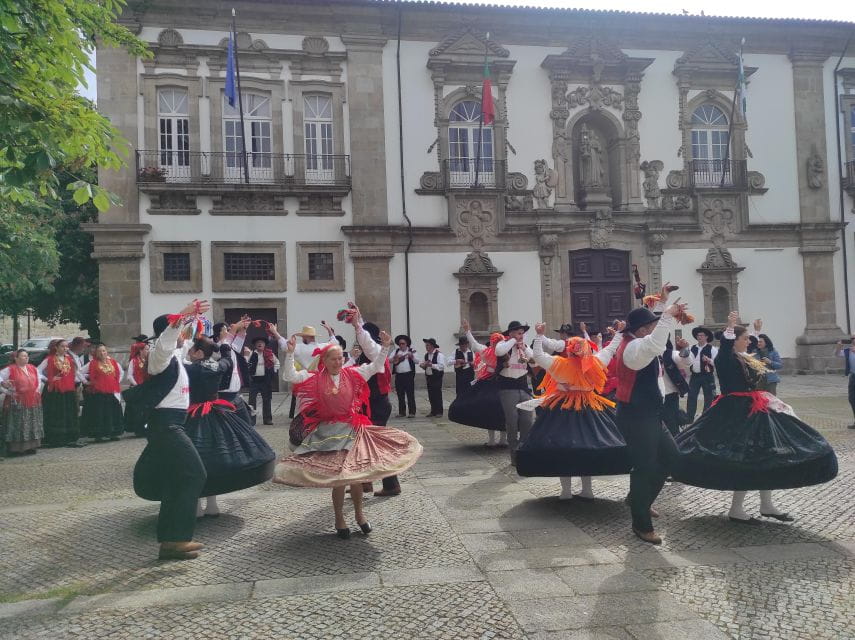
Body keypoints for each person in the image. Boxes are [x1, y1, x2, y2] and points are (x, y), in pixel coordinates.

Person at [674, 311, 838, 524]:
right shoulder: (724, 357)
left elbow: (755, 353)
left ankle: (766, 505)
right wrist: (730, 326)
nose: (749, 341)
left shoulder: (742, 357)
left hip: (754, 409)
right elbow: (726, 347)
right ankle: (736, 509)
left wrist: (758, 332)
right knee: (743, 459)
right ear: (734, 340)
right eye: (745, 338)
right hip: (736, 412)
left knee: (766, 454)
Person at [274, 330, 423, 538]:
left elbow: (375, 366)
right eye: (333, 359)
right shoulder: (314, 378)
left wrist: (385, 347)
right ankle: (339, 518)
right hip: (328, 434)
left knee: (356, 477)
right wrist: (290, 354)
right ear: (324, 361)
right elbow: (290, 376)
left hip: (352, 430)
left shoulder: (352, 374)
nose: (338, 362)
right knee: (340, 479)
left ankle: (360, 515)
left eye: (340, 358)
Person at [129, 301, 209, 560]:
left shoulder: (175, 356)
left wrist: (193, 319)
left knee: (178, 479)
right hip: (166, 424)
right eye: (179, 330)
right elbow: (167, 339)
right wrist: (181, 316)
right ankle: (176, 538)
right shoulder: (159, 356)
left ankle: (171, 541)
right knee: (194, 474)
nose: (183, 335)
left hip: (174, 423)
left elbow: (187, 339)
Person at [516, 322, 628, 501]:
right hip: (590, 408)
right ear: (586, 350)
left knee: (562, 448)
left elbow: (538, 356)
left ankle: (566, 491)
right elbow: (611, 348)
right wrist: (620, 333)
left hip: (562, 409)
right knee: (588, 447)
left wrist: (539, 335)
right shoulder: (596, 362)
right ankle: (587, 490)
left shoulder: (559, 364)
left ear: (569, 350)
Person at [613, 288, 685, 545]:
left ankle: (638, 499)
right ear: (642, 330)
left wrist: (663, 304)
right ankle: (641, 524)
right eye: (651, 326)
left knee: (671, 457)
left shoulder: (638, 341)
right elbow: (655, 343)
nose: (655, 329)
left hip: (650, 413)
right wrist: (666, 316)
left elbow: (653, 337)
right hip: (636, 415)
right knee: (645, 467)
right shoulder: (633, 348)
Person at [182, 335, 276, 518]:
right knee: (216, 458)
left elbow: (173, 365)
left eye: (191, 349)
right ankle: (212, 504)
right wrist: (225, 347)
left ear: (199, 353)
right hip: (217, 413)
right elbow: (228, 361)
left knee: (197, 458)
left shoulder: (189, 369)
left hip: (195, 415)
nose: (189, 352)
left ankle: (197, 505)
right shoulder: (218, 366)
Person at [350, 310, 400, 497]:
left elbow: (367, 342)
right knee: (363, 443)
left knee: (377, 445)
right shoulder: (373, 352)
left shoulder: (375, 352)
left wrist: (357, 325)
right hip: (372, 404)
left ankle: (391, 485)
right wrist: (359, 318)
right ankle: (365, 482)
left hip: (377, 404)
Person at [449, 321, 507, 447]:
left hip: (501, 385)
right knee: (490, 411)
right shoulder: (488, 351)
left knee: (502, 412)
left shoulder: (506, 353)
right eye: (495, 342)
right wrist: (467, 331)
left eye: (499, 341)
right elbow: (474, 344)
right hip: (489, 385)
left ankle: (503, 439)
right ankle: (492, 440)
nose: (497, 344)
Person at [495, 321, 535, 465]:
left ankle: (523, 452)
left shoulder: (525, 347)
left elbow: (535, 361)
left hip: (523, 387)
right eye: (519, 332)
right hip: (508, 388)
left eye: (522, 333)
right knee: (512, 422)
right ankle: (514, 455)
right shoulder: (503, 344)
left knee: (527, 421)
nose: (521, 335)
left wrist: (524, 347)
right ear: (511, 333)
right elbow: (499, 352)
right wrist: (513, 340)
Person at [36, 339, 83, 448]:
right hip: (55, 391)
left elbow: (76, 372)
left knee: (69, 412)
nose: (65, 348)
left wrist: (82, 381)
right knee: (56, 413)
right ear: (56, 348)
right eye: (62, 346)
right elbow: (37, 371)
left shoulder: (69, 359)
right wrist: (49, 379)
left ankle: (69, 437)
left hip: (68, 390)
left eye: (66, 346)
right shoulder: (49, 359)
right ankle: (56, 437)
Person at [0, 349, 44, 455]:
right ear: (16, 358)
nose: (26, 357)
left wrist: (36, 390)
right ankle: (17, 448)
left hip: (32, 400)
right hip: (17, 401)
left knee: (32, 422)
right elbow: (1, 379)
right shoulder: (10, 369)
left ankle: (31, 446)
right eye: (23, 356)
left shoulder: (32, 368)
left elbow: (38, 380)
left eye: (27, 355)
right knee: (18, 423)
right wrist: (6, 389)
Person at [289, 325, 337, 418]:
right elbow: (334, 342)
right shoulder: (323, 346)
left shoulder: (299, 348)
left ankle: (302, 422)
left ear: (306, 337)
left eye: (303, 336)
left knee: (303, 406)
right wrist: (329, 331)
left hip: (305, 380)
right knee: (319, 406)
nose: (302, 338)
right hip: (320, 381)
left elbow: (284, 345)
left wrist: (275, 333)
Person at [79, 343, 124, 442]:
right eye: (99, 351)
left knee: (112, 412)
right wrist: (86, 382)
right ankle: (99, 435)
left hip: (112, 391)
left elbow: (121, 372)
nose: (102, 353)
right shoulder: (92, 363)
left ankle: (113, 433)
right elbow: (79, 372)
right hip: (99, 392)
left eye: (104, 351)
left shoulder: (112, 362)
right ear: (96, 353)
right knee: (100, 413)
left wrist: (117, 381)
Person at [212, 319, 253, 425]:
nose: (228, 331)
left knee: (247, 424)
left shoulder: (230, 348)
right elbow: (225, 343)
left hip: (236, 395)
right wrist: (235, 328)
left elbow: (238, 341)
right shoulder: (217, 349)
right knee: (227, 426)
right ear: (217, 336)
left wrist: (243, 329)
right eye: (225, 330)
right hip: (223, 396)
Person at [661, 336, 692, 436]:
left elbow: (686, 362)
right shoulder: (645, 353)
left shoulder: (670, 354)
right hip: (650, 398)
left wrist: (684, 349)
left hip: (669, 397)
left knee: (672, 428)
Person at [686, 326, 717, 420]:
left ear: (706, 337)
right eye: (698, 335)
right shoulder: (692, 348)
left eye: (701, 335)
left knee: (709, 397)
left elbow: (717, 363)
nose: (699, 337)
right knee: (691, 396)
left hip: (707, 376)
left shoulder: (712, 349)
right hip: (695, 376)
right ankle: (689, 418)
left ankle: (706, 418)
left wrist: (709, 360)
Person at [248, 337, 278, 425]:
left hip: (265, 380)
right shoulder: (251, 354)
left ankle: (267, 419)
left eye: (261, 342)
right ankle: (251, 420)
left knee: (267, 399)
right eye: (258, 342)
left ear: (264, 345)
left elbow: (277, 363)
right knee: (252, 401)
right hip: (254, 380)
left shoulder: (270, 354)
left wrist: (273, 371)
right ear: (255, 345)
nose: (260, 344)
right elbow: (246, 364)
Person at [391, 334, 417, 418]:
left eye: (403, 343)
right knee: (400, 394)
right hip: (399, 376)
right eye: (400, 344)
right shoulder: (396, 351)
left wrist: (412, 356)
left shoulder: (412, 350)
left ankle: (412, 412)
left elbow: (417, 361)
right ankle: (402, 412)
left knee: (410, 394)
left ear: (407, 344)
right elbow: (389, 360)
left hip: (408, 375)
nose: (401, 345)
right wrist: (395, 357)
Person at [420, 338, 446, 417]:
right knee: (431, 395)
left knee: (437, 394)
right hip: (429, 376)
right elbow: (424, 364)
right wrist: (423, 365)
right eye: (426, 345)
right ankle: (433, 411)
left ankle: (439, 412)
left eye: (427, 345)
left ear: (432, 346)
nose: (426, 347)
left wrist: (431, 365)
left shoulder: (439, 355)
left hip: (437, 377)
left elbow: (441, 366)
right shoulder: (426, 355)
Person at [834, 334, 855, 429]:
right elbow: (837, 354)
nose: (853, 340)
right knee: (852, 399)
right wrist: (839, 347)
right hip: (853, 376)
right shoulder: (848, 350)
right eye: (852, 338)